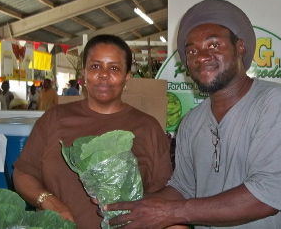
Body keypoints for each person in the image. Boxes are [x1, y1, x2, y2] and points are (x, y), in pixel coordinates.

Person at [105, 0, 281, 229]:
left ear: (240, 48)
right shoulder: (192, 122)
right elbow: (182, 188)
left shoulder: (277, 103)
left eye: (213, 45)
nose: (201, 56)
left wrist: (169, 212)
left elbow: (266, 196)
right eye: (192, 50)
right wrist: (131, 208)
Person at [12, 34, 173, 229]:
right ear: (84, 73)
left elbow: (164, 195)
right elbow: (23, 173)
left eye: (114, 68)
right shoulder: (55, 118)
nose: (104, 75)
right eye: (95, 66)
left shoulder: (148, 128)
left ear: (127, 76)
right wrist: (49, 201)